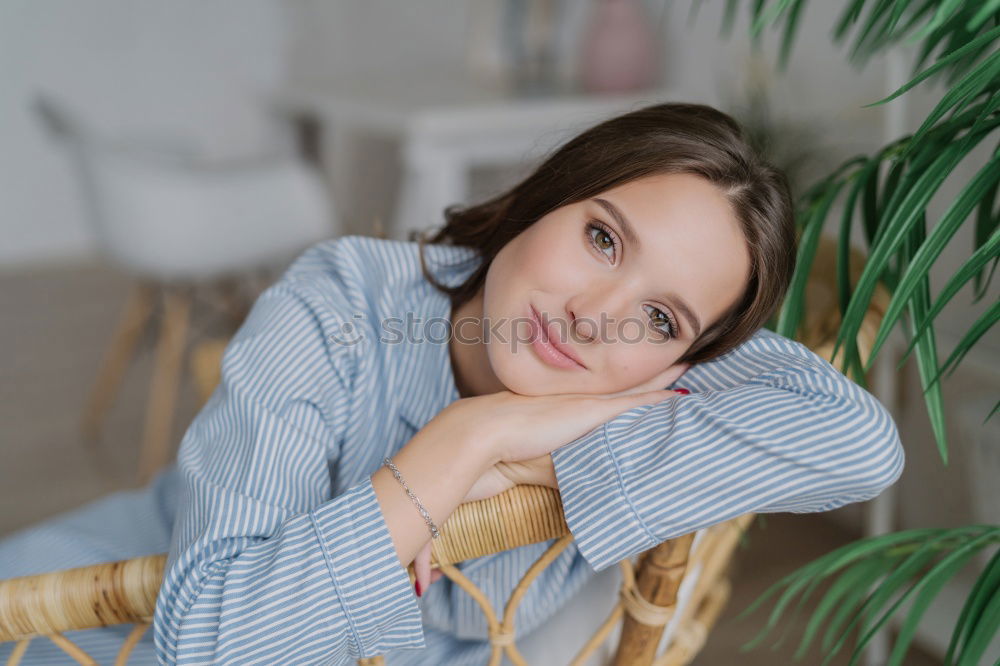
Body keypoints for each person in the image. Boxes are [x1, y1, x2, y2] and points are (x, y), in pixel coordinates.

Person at [0, 102, 904, 665]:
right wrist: (467, 443)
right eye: (602, 237)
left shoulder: (652, 382)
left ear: (682, 364)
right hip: (123, 599)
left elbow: (863, 445)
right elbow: (217, 646)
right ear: (546, 192)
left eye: (663, 317)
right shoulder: (344, 302)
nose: (598, 315)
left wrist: (518, 451)